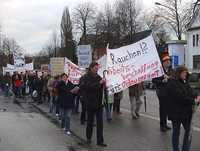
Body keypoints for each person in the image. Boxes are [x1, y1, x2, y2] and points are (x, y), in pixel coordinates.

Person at [166, 66, 200, 151]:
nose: (186, 74)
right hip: (176, 113)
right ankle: (176, 149)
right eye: (184, 72)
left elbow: (191, 91)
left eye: (186, 72)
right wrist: (194, 101)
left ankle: (185, 149)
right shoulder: (172, 83)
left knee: (189, 132)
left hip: (186, 113)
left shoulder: (184, 81)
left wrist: (197, 95)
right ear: (179, 73)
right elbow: (180, 97)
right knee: (176, 133)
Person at [80, 62, 107, 147]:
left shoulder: (99, 77)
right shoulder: (85, 77)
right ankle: (88, 138)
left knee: (100, 124)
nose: (97, 69)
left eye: (97, 68)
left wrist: (105, 85)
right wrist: (99, 83)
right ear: (91, 68)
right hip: (90, 103)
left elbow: (101, 89)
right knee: (90, 123)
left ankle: (100, 141)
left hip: (99, 104)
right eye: (95, 68)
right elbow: (88, 87)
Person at [152, 52, 174, 132]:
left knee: (167, 109)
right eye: (167, 62)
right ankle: (162, 125)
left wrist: (170, 78)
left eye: (169, 61)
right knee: (163, 109)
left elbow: (173, 78)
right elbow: (154, 80)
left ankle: (165, 124)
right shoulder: (159, 70)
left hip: (169, 92)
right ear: (163, 63)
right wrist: (162, 81)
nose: (169, 63)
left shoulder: (171, 70)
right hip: (161, 92)